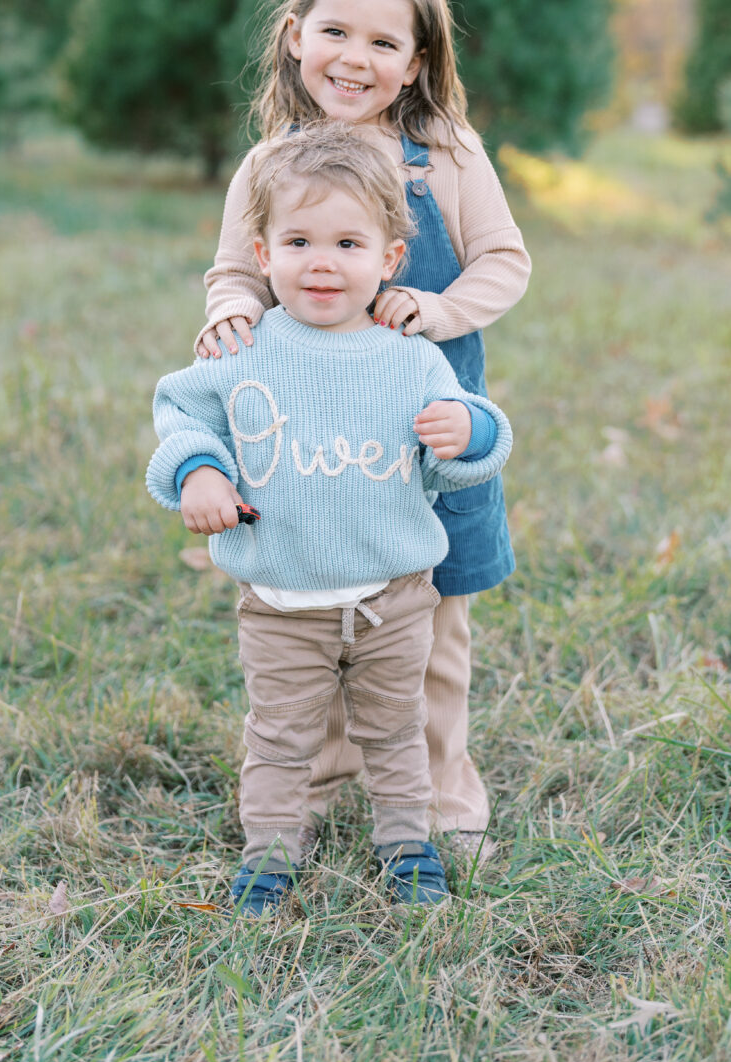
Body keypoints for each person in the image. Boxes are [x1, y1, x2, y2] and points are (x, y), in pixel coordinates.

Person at [195, 0, 530, 862]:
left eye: (384, 42)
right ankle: (323, 776)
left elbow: (505, 260)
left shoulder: (446, 154)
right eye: (336, 32)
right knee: (312, 614)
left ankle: (439, 792)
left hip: (427, 438)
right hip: (308, 448)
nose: (355, 59)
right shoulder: (269, 167)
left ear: (417, 60)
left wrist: (440, 307)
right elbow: (234, 271)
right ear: (295, 33)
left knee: (431, 627)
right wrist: (228, 314)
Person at [147, 126, 512, 914]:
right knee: (279, 737)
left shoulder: (408, 354)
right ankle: (271, 852)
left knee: (395, 729)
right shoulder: (244, 348)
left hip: (393, 597)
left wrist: (469, 431)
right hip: (281, 604)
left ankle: (408, 842)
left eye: (347, 242)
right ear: (263, 251)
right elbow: (182, 411)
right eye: (299, 240)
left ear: (387, 260)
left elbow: (466, 443)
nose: (321, 261)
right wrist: (197, 469)